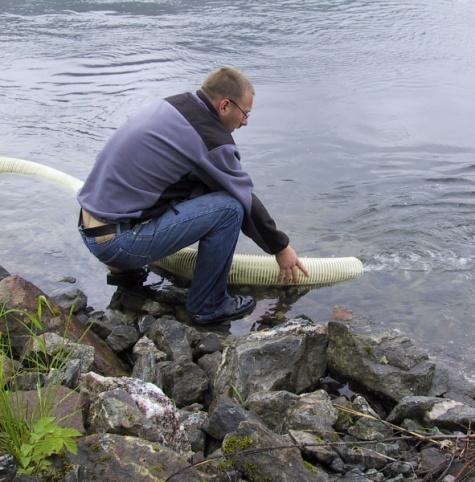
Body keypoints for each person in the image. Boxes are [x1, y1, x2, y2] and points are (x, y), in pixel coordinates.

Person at [77, 67, 309, 325]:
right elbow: (244, 197)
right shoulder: (210, 138)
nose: (245, 121)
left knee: (201, 186)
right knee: (230, 208)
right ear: (224, 106)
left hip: (90, 227)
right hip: (117, 243)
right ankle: (208, 304)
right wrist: (280, 247)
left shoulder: (174, 106)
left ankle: (127, 278)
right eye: (245, 113)